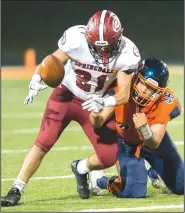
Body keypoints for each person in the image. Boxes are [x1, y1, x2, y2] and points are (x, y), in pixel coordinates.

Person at [1, 10, 141, 206]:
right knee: (43, 142)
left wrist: (104, 102)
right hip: (65, 94)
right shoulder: (76, 37)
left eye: (108, 47)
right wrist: (37, 77)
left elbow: (124, 94)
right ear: (88, 38)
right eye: (97, 48)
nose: (103, 53)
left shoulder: (127, 51)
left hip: (94, 104)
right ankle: (17, 188)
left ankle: (81, 168)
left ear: (119, 37)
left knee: (108, 156)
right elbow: (52, 60)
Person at [85, 57, 184, 198]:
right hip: (127, 143)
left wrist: (144, 128)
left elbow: (154, 143)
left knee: (182, 186)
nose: (144, 91)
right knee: (134, 192)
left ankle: (153, 171)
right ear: (136, 77)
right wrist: (95, 113)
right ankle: (99, 181)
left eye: (151, 89)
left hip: (150, 141)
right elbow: (98, 122)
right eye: (143, 84)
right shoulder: (122, 88)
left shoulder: (165, 100)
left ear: (159, 91)